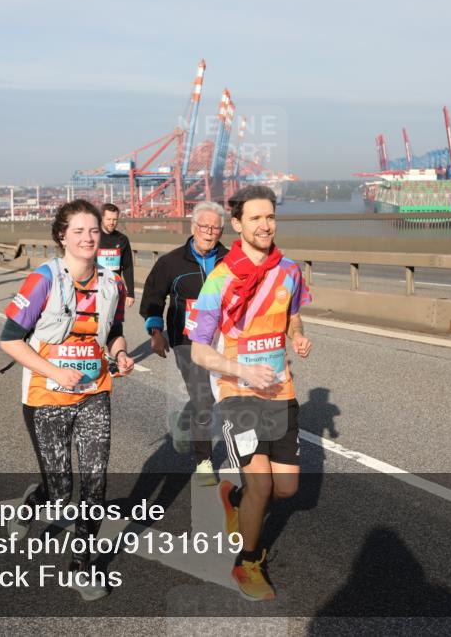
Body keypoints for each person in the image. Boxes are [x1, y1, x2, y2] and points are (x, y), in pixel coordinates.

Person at [0, 199, 133, 601]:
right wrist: (55, 372)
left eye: (93, 231)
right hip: (47, 395)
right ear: (62, 236)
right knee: (59, 492)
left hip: (94, 393)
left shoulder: (113, 283)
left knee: (95, 483)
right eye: (78, 231)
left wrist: (121, 354)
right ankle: (30, 504)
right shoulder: (42, 279)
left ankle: (81, 566)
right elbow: (9, 340)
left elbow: (115, 332)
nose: (88, 238)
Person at [189, 186, 312, 602]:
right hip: (236, 390)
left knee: (287, 490)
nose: (265, 225)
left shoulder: (290, 270)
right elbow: (201, 350)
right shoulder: (219, 281)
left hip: (280, 388)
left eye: (270, 217)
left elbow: (294, 312)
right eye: (255, 218)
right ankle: (248, 562)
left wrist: (298, 336)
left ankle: (236, 499)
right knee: (262, 484)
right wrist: (242, 370)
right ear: (237, 225)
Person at [140, 201, 229, 486]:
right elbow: (153, 298)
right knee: (204, 398)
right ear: (193, 228)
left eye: (215, 228)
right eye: (204, 226)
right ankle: (204, 461)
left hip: (222, 342)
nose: (210, 232)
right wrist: (156, 331)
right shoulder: (171, 262)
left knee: (216, 396)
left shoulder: (231, 260)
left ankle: (183, 420)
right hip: (186, 342)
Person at [97, 203, 135, 307]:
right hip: (95, 289)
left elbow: (127, 267)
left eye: (115, 219)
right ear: (102, 218)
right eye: (108, 219)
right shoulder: (93, 237)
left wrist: (130, 293)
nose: (112, 223)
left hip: (115, 289)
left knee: (115, 323)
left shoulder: (122, 240)